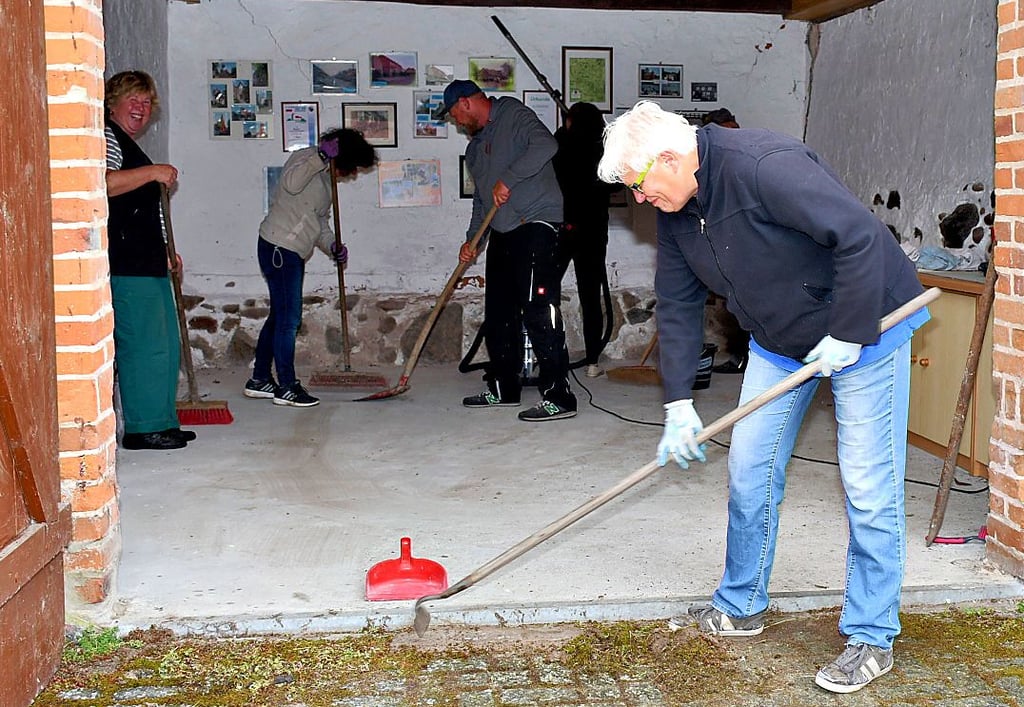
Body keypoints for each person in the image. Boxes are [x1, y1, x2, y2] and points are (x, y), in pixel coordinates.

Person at [597, 101, 929, 694]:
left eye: (640, 186)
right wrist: (677, 402)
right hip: (778, 341)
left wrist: (851, 331)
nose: (641, 200)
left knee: (868, 486)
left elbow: (860, 236)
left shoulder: (765, 166)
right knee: (749, 471)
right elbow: (676, 304)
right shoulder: (678, 208)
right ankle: (741, 603)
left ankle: (872, 636)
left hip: (867, 326)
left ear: (670, 159)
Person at [435, 79, 577, 421]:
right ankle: (504, 387)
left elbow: (546, 145)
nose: (455, 120)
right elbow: (483, 201)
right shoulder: (474, 150)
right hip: (501, 230)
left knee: (539, 309)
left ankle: (559, 395)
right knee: (498, 313)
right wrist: (473, 241)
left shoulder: (513, 114)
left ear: (466, 103)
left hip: (537, 224)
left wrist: (509, 179)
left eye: (454, 113)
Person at [244, 129, 376, 407]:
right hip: (279, 247)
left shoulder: (326, 180)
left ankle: (259, 380)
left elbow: (320, 222)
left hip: (291, 251)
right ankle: (287, 387)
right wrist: (319, 156)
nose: (351, 174)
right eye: (352, 168)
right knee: (289, 320)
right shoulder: (305, 159)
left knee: (279, 316)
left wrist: (332, 246)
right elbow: (291, 184)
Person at [105, 70, 192, 451]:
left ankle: (161, 420)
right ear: (113, 103)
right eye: (133, 100)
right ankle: (142, 429)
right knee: (143, 343)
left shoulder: (129, 144)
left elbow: (147, 206)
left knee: (165, 342)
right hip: (127, 260)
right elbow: (103, 183)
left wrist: (166, 249)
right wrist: (153, 171)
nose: (140, 108)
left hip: (147, 258)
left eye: (146, 102)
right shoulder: (108, 136)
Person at [553, 102, 618, 378]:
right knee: (590, 295)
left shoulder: (562, 144)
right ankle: (593, 360)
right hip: (593, 230)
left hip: (564, 227)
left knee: (546, 289)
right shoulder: (602, 148)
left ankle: (551, 351)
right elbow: (614, 183)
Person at [700, 108, 749, 374]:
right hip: (739, 239)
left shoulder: (724, 156)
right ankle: (744, 356)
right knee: (741, 304)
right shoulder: (739, 152)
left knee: (742, 304)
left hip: (740, 241)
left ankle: (743, 357)